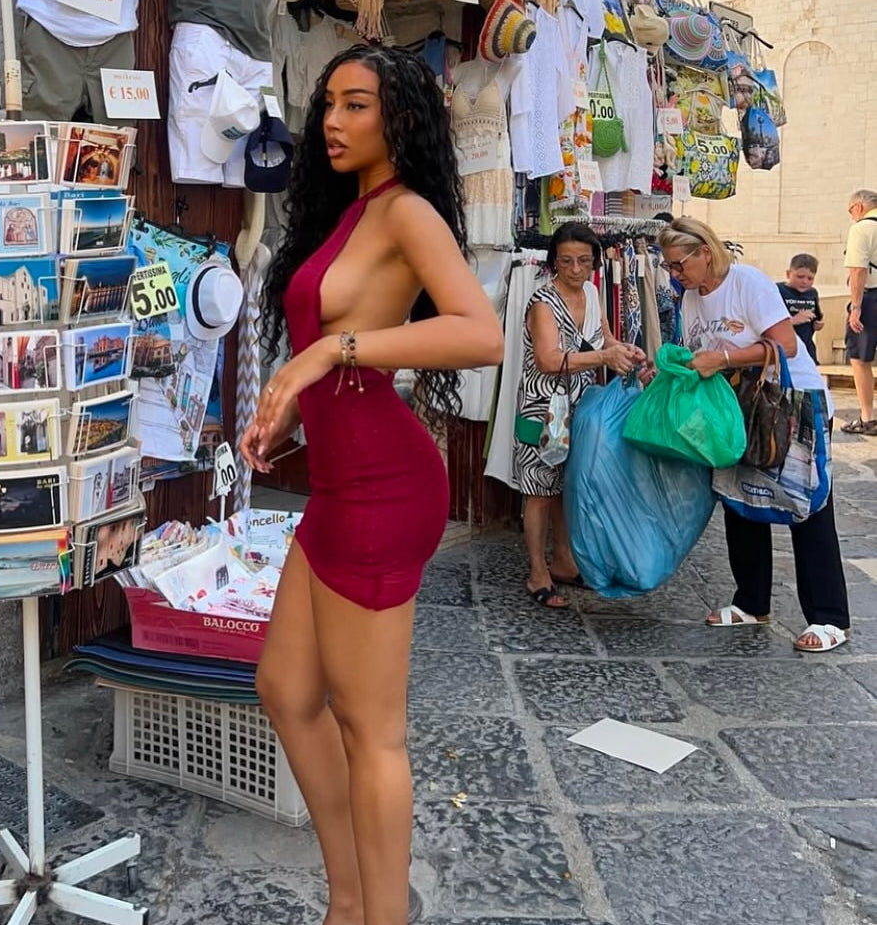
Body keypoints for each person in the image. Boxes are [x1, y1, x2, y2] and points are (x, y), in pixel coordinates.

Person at [243, 45, 502, 925]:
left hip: (386, 486)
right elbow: (329, 353)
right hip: (336, 483)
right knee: (284, 688)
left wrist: (333, 349)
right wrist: (286, 412)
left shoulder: (407, 213)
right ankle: (347, 899)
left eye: (357, 105)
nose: (333, 121)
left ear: (398, 118)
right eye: (328, 105)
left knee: (370, 725)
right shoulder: (348, 217)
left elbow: (480, 333)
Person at [658, 216, 851, 652]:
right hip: (735, 409)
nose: (674, 273)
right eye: (669, 266)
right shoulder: (690, 297)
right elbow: (698, 352)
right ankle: (751, 601)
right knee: (740, 499)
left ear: (705, 252)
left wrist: (723, 359)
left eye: (678, 263)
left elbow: (786, 344)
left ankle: (829, 617)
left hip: (790, 403)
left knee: (809, 503)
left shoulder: (747, 282)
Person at [513, 221, 646, 608]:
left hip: (580, 406)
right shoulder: (542, 303)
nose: (575, 269)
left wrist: (628, 353)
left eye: (584, 261)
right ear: (554, 260)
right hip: (544, 411)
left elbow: (604, 337)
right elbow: (548, 359)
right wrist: (604, 357)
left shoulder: (591, 292)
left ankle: (564, 561)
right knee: (539, 491)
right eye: (567, 261)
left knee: (565, 487)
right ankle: (538, 571)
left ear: (594, 263)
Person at [842, 190, 877, 434]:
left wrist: (856, 307)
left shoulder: (862, 229)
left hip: (872, 300)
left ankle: (867, 418)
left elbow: (858, 270)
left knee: (859, 358)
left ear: (860, 207)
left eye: (850, 210)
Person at [777, 253, 823, 363]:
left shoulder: (812, 293)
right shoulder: (777, 291)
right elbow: (768, 322)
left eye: (810, 278)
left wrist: (818, 324)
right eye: (800, 277)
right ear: (788, 274)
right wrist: (792, 321)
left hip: (807, 349)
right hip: (785, 350)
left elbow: (817, 317)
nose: (805, 281)